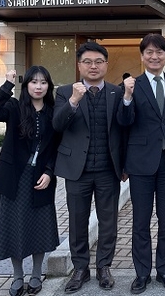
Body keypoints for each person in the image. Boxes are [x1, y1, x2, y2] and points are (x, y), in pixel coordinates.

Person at [119, 33, 165, 294]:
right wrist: (127, 97)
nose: (154, 56)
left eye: (159, 52)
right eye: (149, 52)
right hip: (140, 162)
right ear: (142, 56)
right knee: (140, 221)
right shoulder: (132, 85)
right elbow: (123, 123)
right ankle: (142, 273)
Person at [53, 41, 125, 293]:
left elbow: (124, 130)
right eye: (87, 62)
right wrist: (74, 100)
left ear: (106, 64)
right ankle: (80, 269)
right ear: (79, 65)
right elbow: (57, 125)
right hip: (77, 170)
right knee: (77, 222)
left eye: (98, 62)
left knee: (108, 222)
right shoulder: (65, 92)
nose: (93, 66)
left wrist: (125, 165)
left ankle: (104, 267)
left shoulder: (116, 93)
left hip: (108, 170)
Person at [0, 66, 60, 296]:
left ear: (48, 86)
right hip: (15, 178)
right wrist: (8, 84)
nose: (38, 86)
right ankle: (18, 276)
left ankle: (36, 275)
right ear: (26, 85)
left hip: (41, 178)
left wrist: (50, 172)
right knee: (15, 226)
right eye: (34, 82)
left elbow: (56, 147)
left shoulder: (53, 112)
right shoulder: (14, 107)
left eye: (43, 82)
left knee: (40, 226)